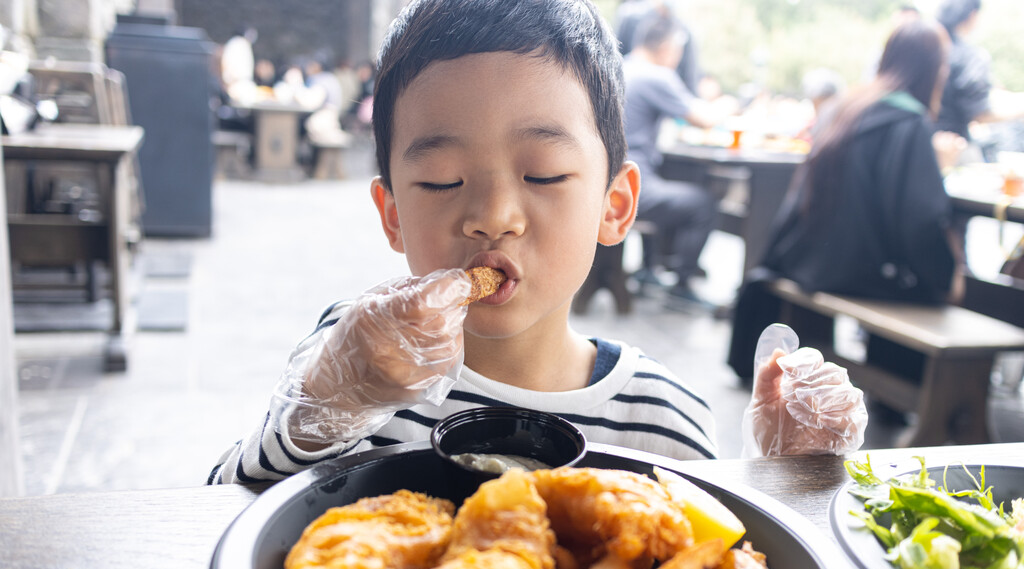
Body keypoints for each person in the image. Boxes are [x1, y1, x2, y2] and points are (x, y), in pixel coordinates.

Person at [208, 0, 866, 486]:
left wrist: (790, 486)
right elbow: (222, 508)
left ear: (616, 206)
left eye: (544, 173)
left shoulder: (663, 420)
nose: (493, 216)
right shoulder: (358, 363)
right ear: (392, 216)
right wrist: (325, 405)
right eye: (441, 180)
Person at [728, 18, 967, 381]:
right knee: (930, 282)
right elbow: (920, 220)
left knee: (920, 274)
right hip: (859, 271)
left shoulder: (846, 107)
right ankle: (902, 394)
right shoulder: (909, 121)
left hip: (809, 262)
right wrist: (949, 276)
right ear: (933, 70)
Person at [623, 14, 722, 308]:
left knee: (666, 183)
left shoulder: (620, 66)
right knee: (702, 204)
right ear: (667, 47)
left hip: (608, 178)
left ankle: (648, 269)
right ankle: (681, 281)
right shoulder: (656, 75)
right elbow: (704, 119)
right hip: (630, 185)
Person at [935, 0, 1024, 145]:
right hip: (953, 144)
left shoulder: (925, 48)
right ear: (972, 15)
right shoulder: (971, 56)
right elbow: (979, 112)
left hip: (917, 143)